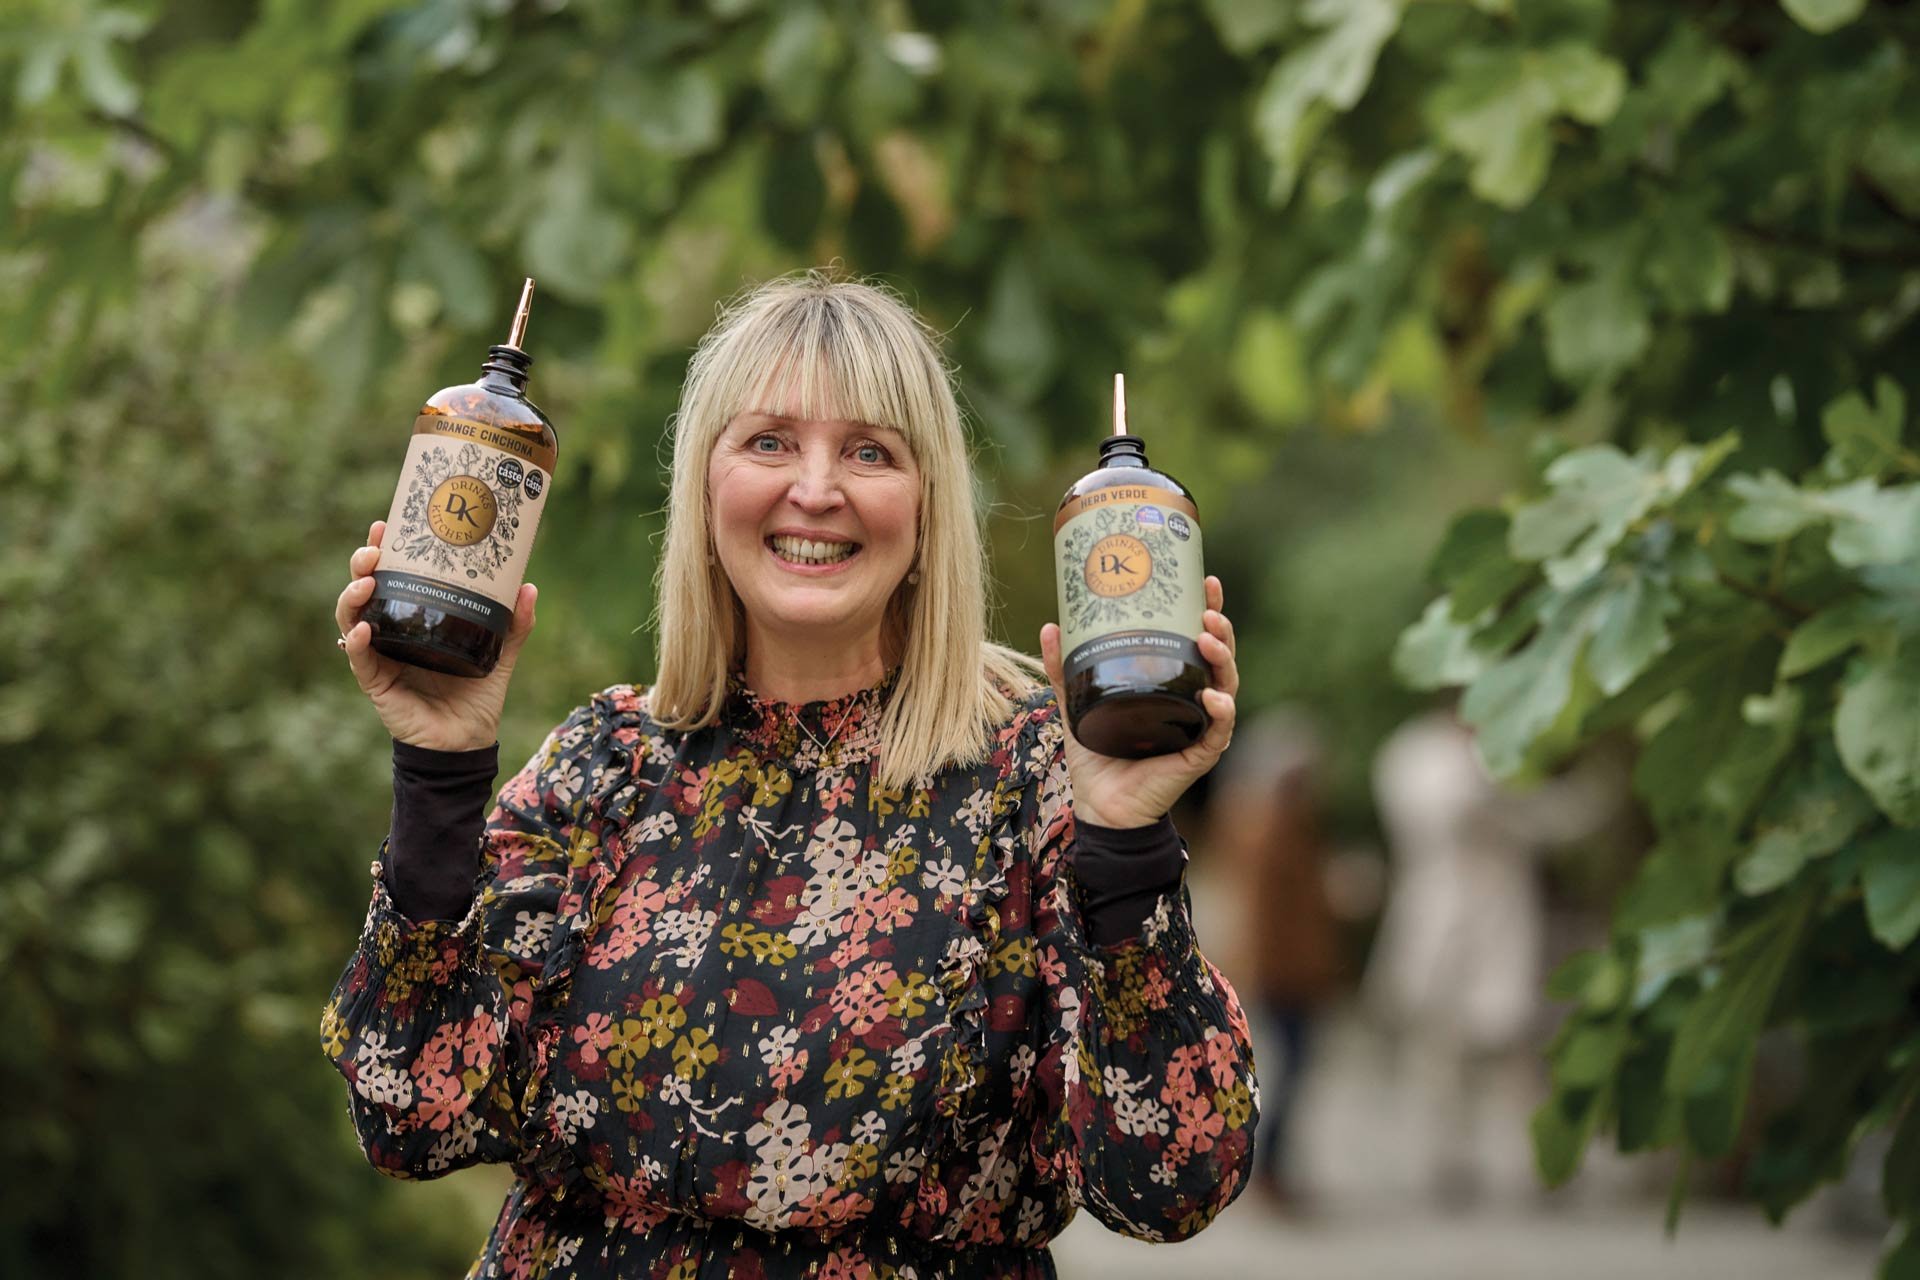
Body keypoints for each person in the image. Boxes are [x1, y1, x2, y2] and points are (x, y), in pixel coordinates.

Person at [322, 273, 1259, 1278]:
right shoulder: (606, 763)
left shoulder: (1035, 775)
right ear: (706, 485)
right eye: (769, 441)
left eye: (870, 450)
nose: (817, 487)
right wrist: (439, 769)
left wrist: (1124, 842)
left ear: (926, 504)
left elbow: (1172, 1180)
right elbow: (411, 1117)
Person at [1365, 707, 1618, 1206]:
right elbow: (1484, 809)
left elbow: (1543, 821)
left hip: (1491, 929)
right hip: (1440, 928)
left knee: (1515, 1060)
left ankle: (1540, 1165)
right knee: (1440, 1059)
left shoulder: (1475, 768)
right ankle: (1448, 1164)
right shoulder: (1424, 757)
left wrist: (1594, 796)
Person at [1209, 709, 1341, 1210]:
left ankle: (1268, 1168)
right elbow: (1263, 913)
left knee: (1286, 1069)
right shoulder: (1270, 826)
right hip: (1281, 971)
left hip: (1289, 968)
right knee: (1287, 1069)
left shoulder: (1265, 820)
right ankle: (1265, 1170)